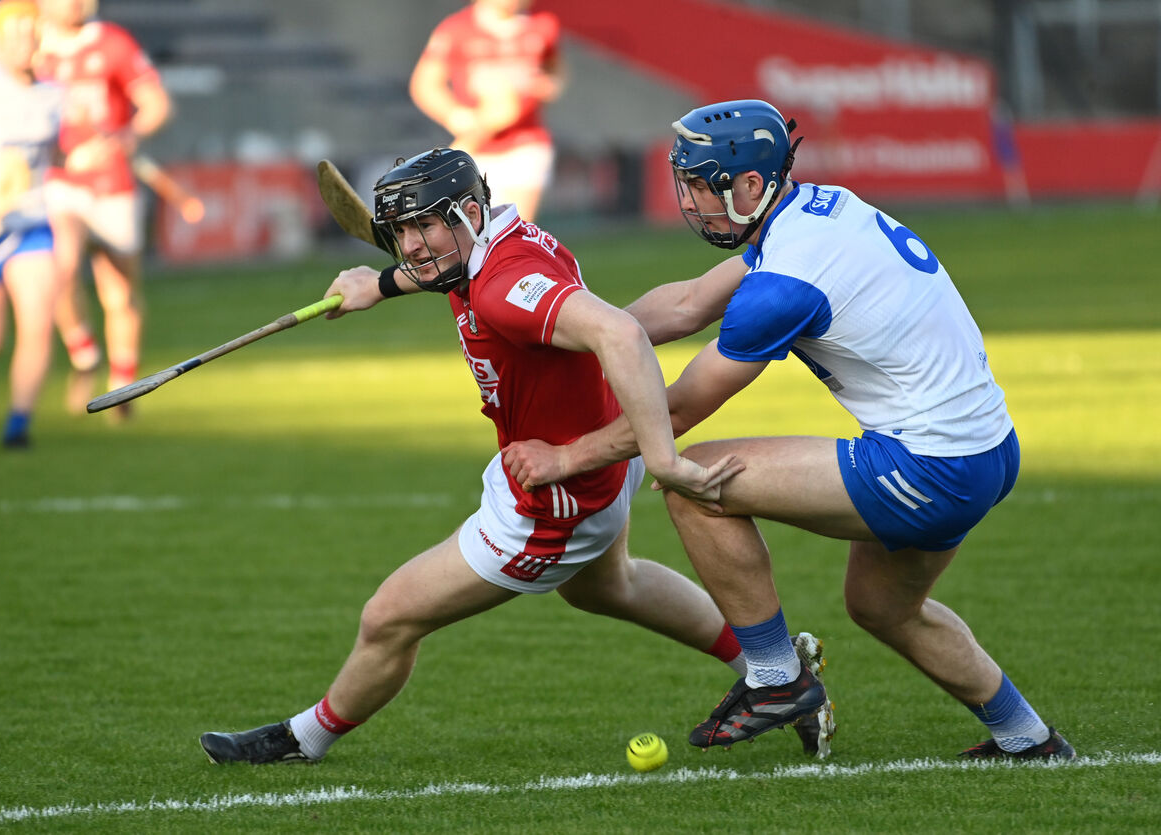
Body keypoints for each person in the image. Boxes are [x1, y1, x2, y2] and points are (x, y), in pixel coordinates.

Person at [198, 147, 817, 766]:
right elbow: (448, 270)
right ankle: (776, 670)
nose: (410, 246)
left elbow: (619, 333)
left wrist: (662, 458)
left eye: (423, 227)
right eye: (400, 233)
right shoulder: (496, 243)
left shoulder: (500, 288)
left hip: (555, 495)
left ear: (469, 213)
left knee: (389, 615)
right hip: (590, 453)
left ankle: (302, 741)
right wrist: (379, 284)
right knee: (609, 588)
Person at [501, 99, 1075, 761]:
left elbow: (675, 413)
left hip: (930, 466)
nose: (690, 199)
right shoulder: (814, 208)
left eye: (700, 184)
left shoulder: (785, 284)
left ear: (750, 186)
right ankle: (1029, 737)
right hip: (987, 450)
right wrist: (575, 330)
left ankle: (775, 678)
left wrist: (564, 456)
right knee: (881, 606)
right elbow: (687, 303)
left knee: (694, 481)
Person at [34, 0, 172, 418]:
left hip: (113, 185)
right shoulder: (33, 46)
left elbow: (155, 105)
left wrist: (123, 140)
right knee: (62, 266)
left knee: (121, 293)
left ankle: (121, 384)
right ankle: (83, 352)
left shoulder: (112, 43)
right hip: (59, 184)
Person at [0, 0, 64, 449]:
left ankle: (18, 424)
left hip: (32, 226)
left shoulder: (54, 94)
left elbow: (58, 157)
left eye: (30, 36)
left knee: (38, 322)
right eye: (13, 36)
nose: (23, 45)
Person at [409, 0, 564, 222]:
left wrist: (548, 86)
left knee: (514, 231)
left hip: (527, 143)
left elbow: (555, 73)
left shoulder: (542, 26)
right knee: (472, 232)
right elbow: (424, 84)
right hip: (476, 148)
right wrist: (458, 117)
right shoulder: (455, 29)